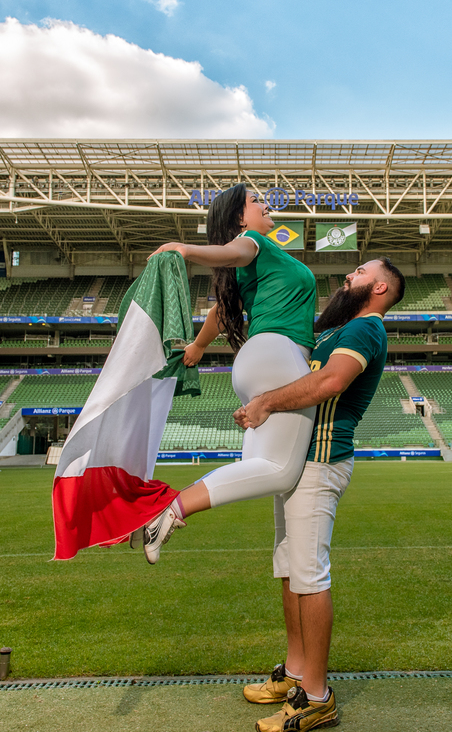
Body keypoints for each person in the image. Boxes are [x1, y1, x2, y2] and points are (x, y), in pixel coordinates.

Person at [233, 257, 405, 732]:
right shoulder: (338, 330)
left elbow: (329, 383)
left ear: (380, 288)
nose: (349, 276)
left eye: (360, 272)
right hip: (293, 462)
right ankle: (294, 672)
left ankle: (316, 696)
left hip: (320, 462)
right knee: (289, 570)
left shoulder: (367, 330)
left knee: (309, 576)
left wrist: (266, 402)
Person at [139, 183, 318, 563]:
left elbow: (222, 312)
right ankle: (172, 508)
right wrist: (185, 250)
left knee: (259, 466)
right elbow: (233, 251)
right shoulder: (253, 241)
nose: (265, 203)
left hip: (256, 361)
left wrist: (199, 346)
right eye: (255, 201)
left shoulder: (259, 264)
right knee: (282, 472)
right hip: (279, 356)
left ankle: (291, 564)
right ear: (240, 217)